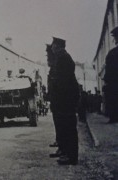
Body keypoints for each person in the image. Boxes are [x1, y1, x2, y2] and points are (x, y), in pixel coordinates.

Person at [50, 37, 79, 165]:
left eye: (53, 45)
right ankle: (67, 152)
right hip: (63, 99)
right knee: (65, 126)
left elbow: (63, 82)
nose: (52, 48)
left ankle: (71, 156)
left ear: (58, 46)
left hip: (66, 99)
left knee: (69, 127)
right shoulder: (62, 58)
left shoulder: (64, 59)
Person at [104, 26, 118, 124]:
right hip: (114, 83)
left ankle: (114, 117)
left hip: (114, 84)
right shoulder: (112, 53)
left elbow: (108, 71)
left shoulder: (112, 53)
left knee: (113, 99)